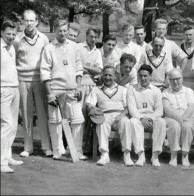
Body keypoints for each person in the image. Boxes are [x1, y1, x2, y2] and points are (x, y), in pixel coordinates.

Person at [40, 19, 86, 160]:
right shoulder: (49, 48)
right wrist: (50, 94)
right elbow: (45, 71)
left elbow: (79, 68)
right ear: (55, 31)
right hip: (56, 89)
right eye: (60, 30)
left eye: (65, 30)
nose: (62, 33)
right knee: (55, 121)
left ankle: (76, 150)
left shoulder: (74, 46)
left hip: (72, 88)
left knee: (77, 119)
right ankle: (57, 150)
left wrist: (78, 86)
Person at [14, 10, 52, 157]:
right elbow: (14, 59)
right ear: (23, 21)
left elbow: (47, 60)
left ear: (37, 22)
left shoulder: (43, 39)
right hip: (23, 80)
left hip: (40, 80)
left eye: (32, 21)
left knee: (43, 114)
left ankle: (46, 147)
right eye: (26, 20)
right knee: (26, 114)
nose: (29, 23)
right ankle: (28, 147)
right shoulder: (17, 39)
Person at [86, 66, 133, 166]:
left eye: (110, 75)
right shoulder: (96, 89)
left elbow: (128, 107)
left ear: (115, 76)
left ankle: (127, 154)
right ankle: (104, 154)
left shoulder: (123, 89)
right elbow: (90, 104)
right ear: (102, 75)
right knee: (101, 123)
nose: (107, 77)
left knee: (126, 122)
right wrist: (93, 109)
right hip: (104, 115)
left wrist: (121, 115)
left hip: (119, 115)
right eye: (105, 75)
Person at [127, 64, 167, 167]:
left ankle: (155, 156)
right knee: (132, 121)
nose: (143, 78)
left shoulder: (156, 90)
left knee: (161, 122)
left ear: (150, 76)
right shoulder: (132, 89)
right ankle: (141, 155)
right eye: (140, 76)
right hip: (138, 118)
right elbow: (132, 109)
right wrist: (141, 119)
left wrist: (150, 118)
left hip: (151, 119)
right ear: (138, 76)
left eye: (145, 76)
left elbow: (159, 110)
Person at [162, 69, 194, 167]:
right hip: (171, 117)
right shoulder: (165, 92)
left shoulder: (189, 91)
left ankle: (185, 155)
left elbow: (191, 107)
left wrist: (182, 119)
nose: (175, 82)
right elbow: (167, 109)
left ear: (182, 79)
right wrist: (179, 120)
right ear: (169, 81)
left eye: (177, 79)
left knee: (187, 126)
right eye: (172, 79)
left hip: (188, 116)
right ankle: (173, 155)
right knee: (174, 126)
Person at [1, 20, 24, 173]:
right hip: (2, 89)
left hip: (14, 88)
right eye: (8, 33)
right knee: (6, 124)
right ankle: (2, 163)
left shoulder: (12, 47)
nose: (11, 36)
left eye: (13, 34)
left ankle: (7, 156)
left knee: (13, 125)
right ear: (1, 32)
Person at [78, 27, 103, 156]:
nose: (93, 39)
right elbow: (75, 66)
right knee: (78, 117)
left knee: (89, 117)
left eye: (95, 37)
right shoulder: (78, 48)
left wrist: (83, 66)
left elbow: (99, 70)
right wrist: (91, 68)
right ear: (86, 36)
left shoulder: (97, 52)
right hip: (79, 84)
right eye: (91, 36)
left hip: (92, 86)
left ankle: (85, 146)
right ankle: (76, 146)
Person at [180, 26, 194, 92]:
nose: (188, 37)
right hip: (184, 80)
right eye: (186, 35)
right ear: (183, 35)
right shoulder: (179, 47)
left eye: (190, 35)